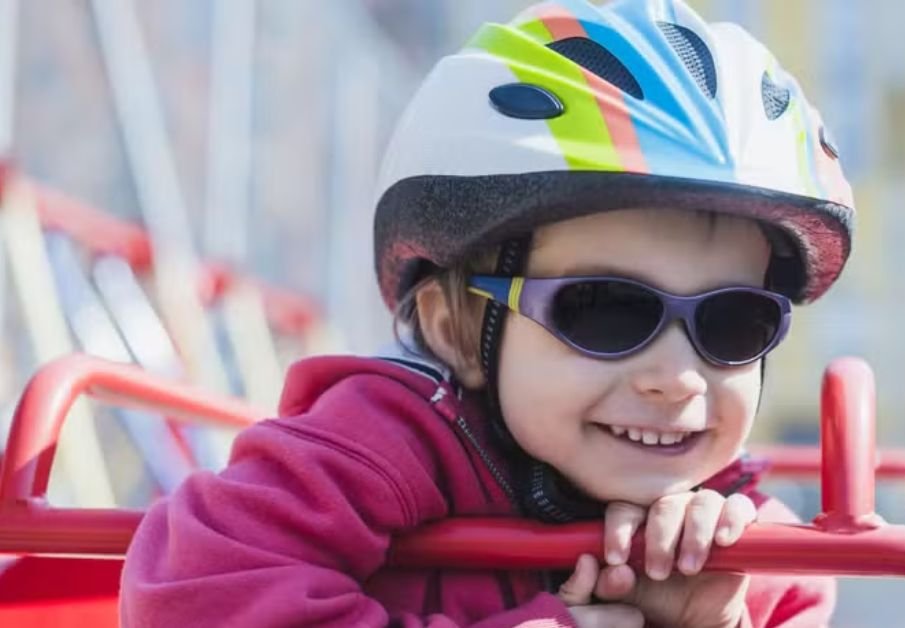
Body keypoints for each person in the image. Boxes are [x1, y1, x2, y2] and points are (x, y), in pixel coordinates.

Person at [120, 0, 855, 625]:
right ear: (455, 328)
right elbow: (195, 588)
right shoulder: (388, 439)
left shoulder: (756, 555)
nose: (678, 377)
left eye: (733, 324)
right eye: (604, 310)